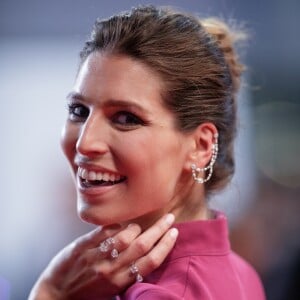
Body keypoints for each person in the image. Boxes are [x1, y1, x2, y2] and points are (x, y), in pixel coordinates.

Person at [29, 5, 266, 300]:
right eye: (79, 111)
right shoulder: (241, 272)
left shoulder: (160, 293)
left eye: (126, 118)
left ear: (200, 146)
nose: (85, 143)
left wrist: (50, 293)